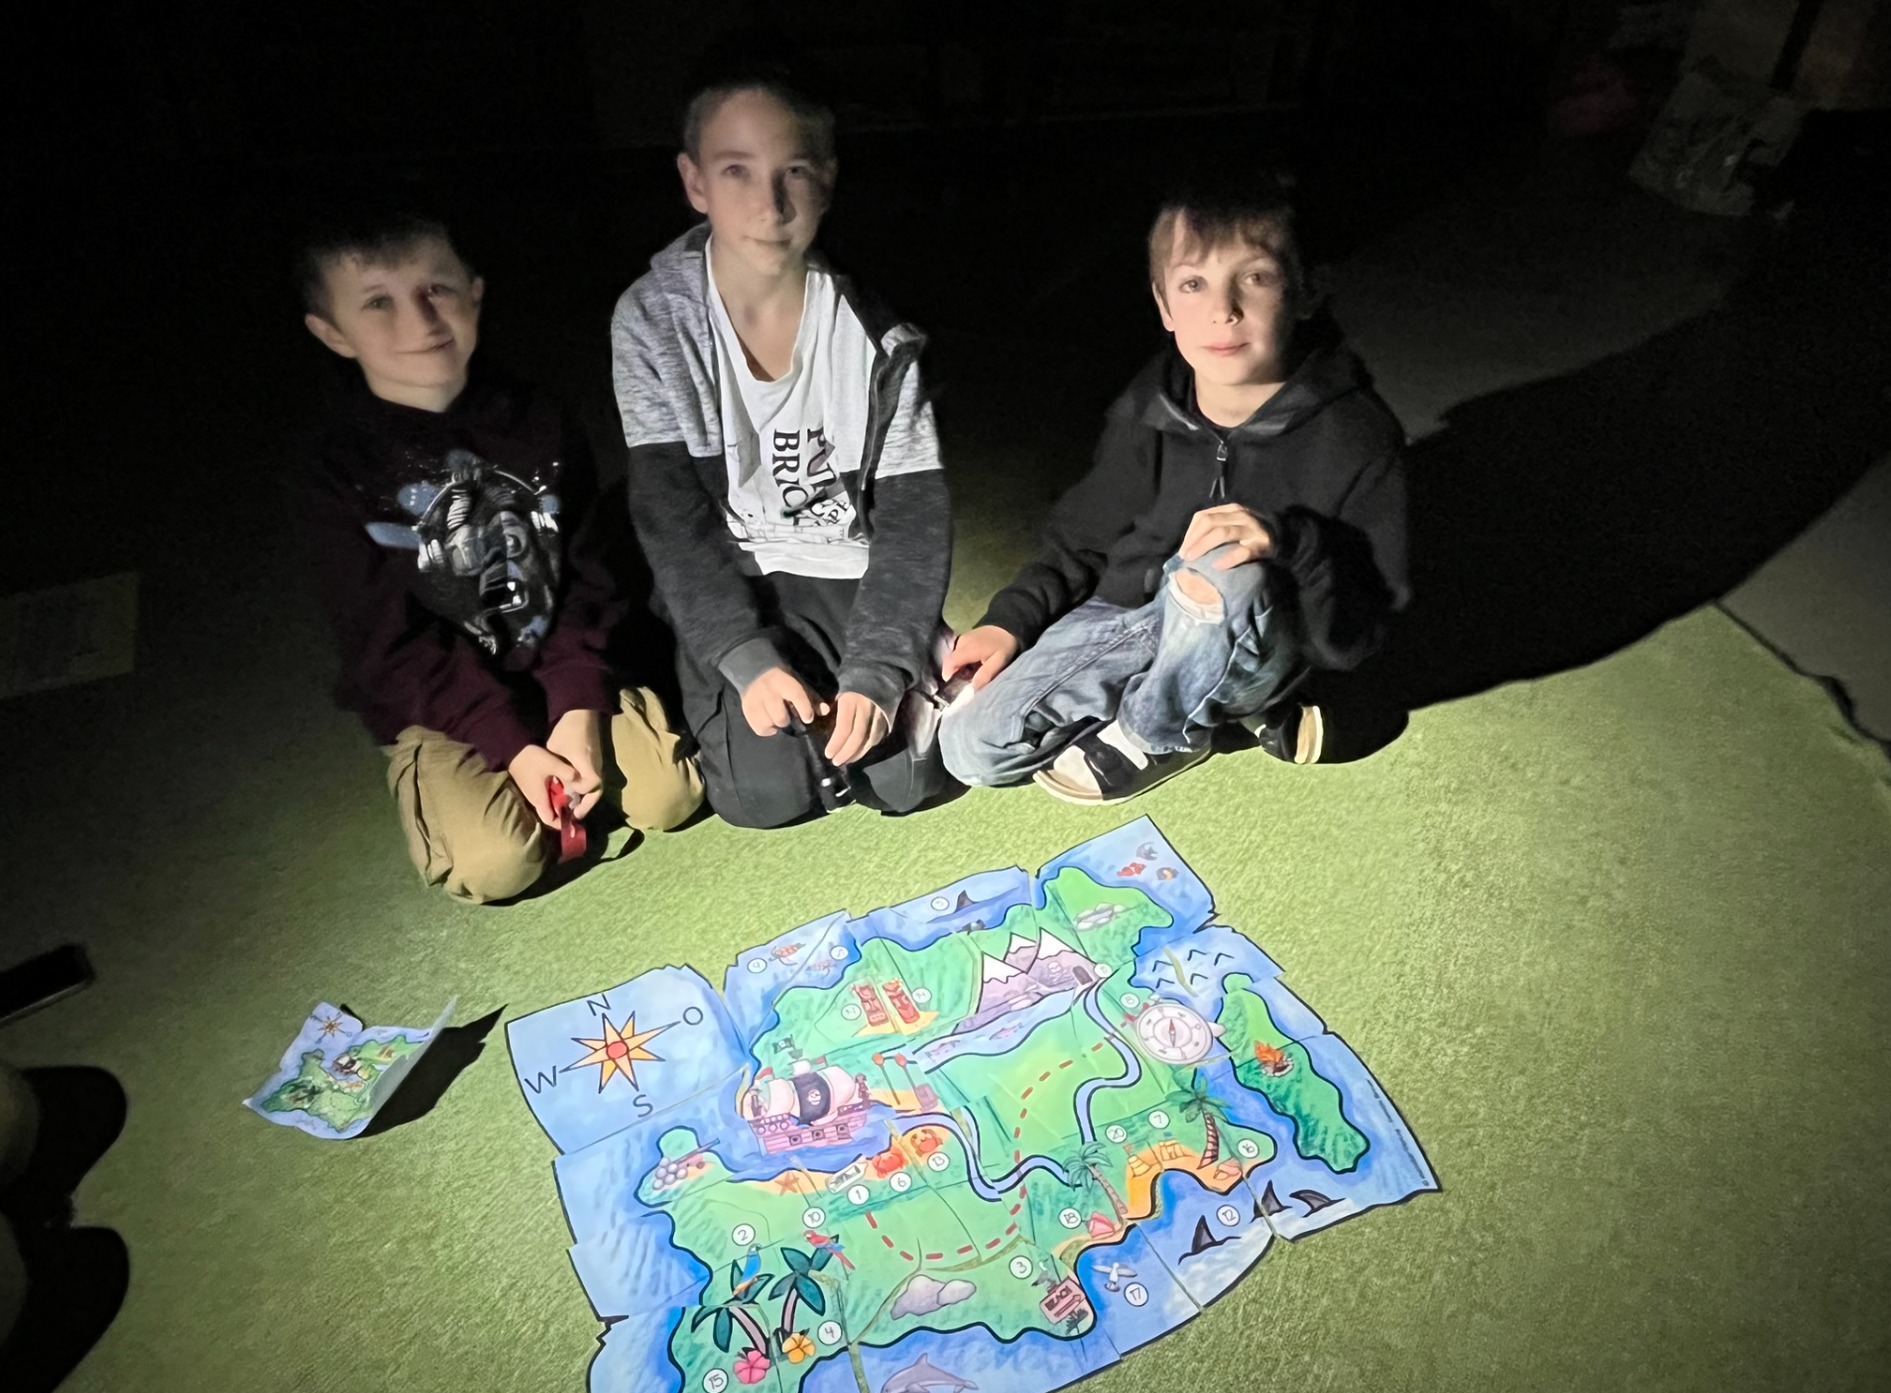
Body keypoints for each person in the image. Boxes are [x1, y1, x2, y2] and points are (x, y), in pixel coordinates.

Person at [940, 174, 1408, 803]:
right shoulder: (1150, 403)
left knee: (1223, 564)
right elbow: (1082, 539)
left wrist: (1292, 543)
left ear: (1305, 292)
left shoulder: (1355, 435)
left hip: (1262, 631)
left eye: (1256, 277)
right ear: (1164, 306)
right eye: (1193, 284)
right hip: (1136, 615)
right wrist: (1009, 623)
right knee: (972, 748)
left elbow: (1359, 634)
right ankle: (1191, 696)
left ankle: (1159, 731)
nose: (1223, 309)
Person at [291, 210, 701, 902]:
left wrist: (577, 707)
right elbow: (388, 648)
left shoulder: (536, 416)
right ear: (332, 332)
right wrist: (509, 745)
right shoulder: (332, 473)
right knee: (498, 864)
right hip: (445, 701)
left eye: (437, 290)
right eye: (378, 303)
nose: (420, 322)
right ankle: (465, 780)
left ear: (475, 292)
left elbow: (586, 574)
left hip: (554, 660)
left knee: (669, 795)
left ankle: (568, 746)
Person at [611, 60, 953, 829]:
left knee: (907, 779)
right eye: (736, 171)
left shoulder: (881, 334)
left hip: (841, 562)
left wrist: (881, 666)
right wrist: (743, 655)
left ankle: (917, 650)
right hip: (734, 569)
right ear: (695, 182)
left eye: (792, 172)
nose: (769, 205)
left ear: (826, 181)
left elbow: (913, 519)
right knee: (761, 797)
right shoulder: (652, 320)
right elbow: (671, 518)